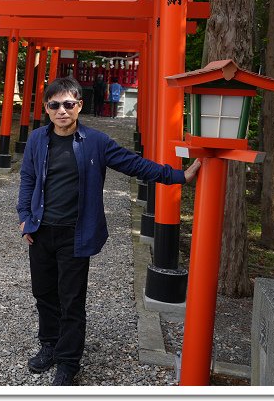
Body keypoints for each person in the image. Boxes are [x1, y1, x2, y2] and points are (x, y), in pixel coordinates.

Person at [16, 77, 200, 386]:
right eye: (55, 105)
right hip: (41, 230)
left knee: (71, 298)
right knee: (44, 294)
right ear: (46, 109)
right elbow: (28, 178)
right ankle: (48, 345)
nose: (62, 111)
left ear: (79, 106)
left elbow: (135, 165)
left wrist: (178, 176)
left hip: (76, 233)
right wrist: (23, 217)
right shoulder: (37, 140)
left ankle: (68, 361)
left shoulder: (96, 142)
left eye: (68, 104)